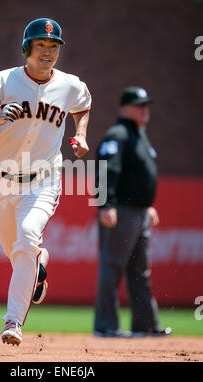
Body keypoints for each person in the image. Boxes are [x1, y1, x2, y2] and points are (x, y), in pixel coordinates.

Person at [0, 18, 91, 345]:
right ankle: (38, 267)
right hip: (2, 181)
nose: (47, 52)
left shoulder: (70, 85)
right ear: (27, 49)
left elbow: (83, 105)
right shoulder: (0, 82)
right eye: (41, 45)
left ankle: (13, 322)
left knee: (27, 236)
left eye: (53, 46)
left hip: (44, 180)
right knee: (15, 252)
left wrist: (81, 135)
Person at [94, 86, 172, 337]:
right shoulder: (117, 134)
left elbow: (140, 177)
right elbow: (107, 170)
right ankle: (106, 326)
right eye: (139, 105)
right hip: (121, 211)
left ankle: (146, 326)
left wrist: (148, 205)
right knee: (112, 266)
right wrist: (106, 205)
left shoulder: (139, 136)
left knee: (140, 271)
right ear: (125, 108)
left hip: (139, 212)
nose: (144, 109)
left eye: (146, 105)